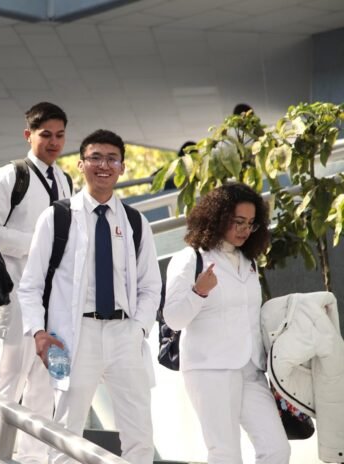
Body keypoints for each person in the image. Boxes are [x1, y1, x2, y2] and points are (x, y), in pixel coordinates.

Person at [19, 129, 162, 464]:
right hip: (72, 336)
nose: (104, 165)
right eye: (95, 157)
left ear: (122, 167)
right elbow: (31, 284)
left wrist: (138, 329)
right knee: (65, 434)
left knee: (140, 435)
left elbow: (150, 285)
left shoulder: (135, 222)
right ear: (81, 165)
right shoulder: (58, 216)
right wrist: (38, 332)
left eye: (112, 159)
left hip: (124, 334)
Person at [163, 183, 290, 464]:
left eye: (251, 223)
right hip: (210, 369)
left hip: (251, 368)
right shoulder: (190, 258)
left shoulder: (248, 261)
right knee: (225, 454)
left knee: (277, 450)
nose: (245, 230)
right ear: (218, 217)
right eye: (238, 221)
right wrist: (198, 292)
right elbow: (173, 318)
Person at [0, 102, 72, 462]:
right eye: (46, 134)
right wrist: (37, 244)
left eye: (60, 135)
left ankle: (34, 459)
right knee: (9, 382)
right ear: (28, 135)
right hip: (16, 294)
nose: (53, 142)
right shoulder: (10, 175)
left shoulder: (65, 180)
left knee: (45, 387)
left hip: (53, 300)